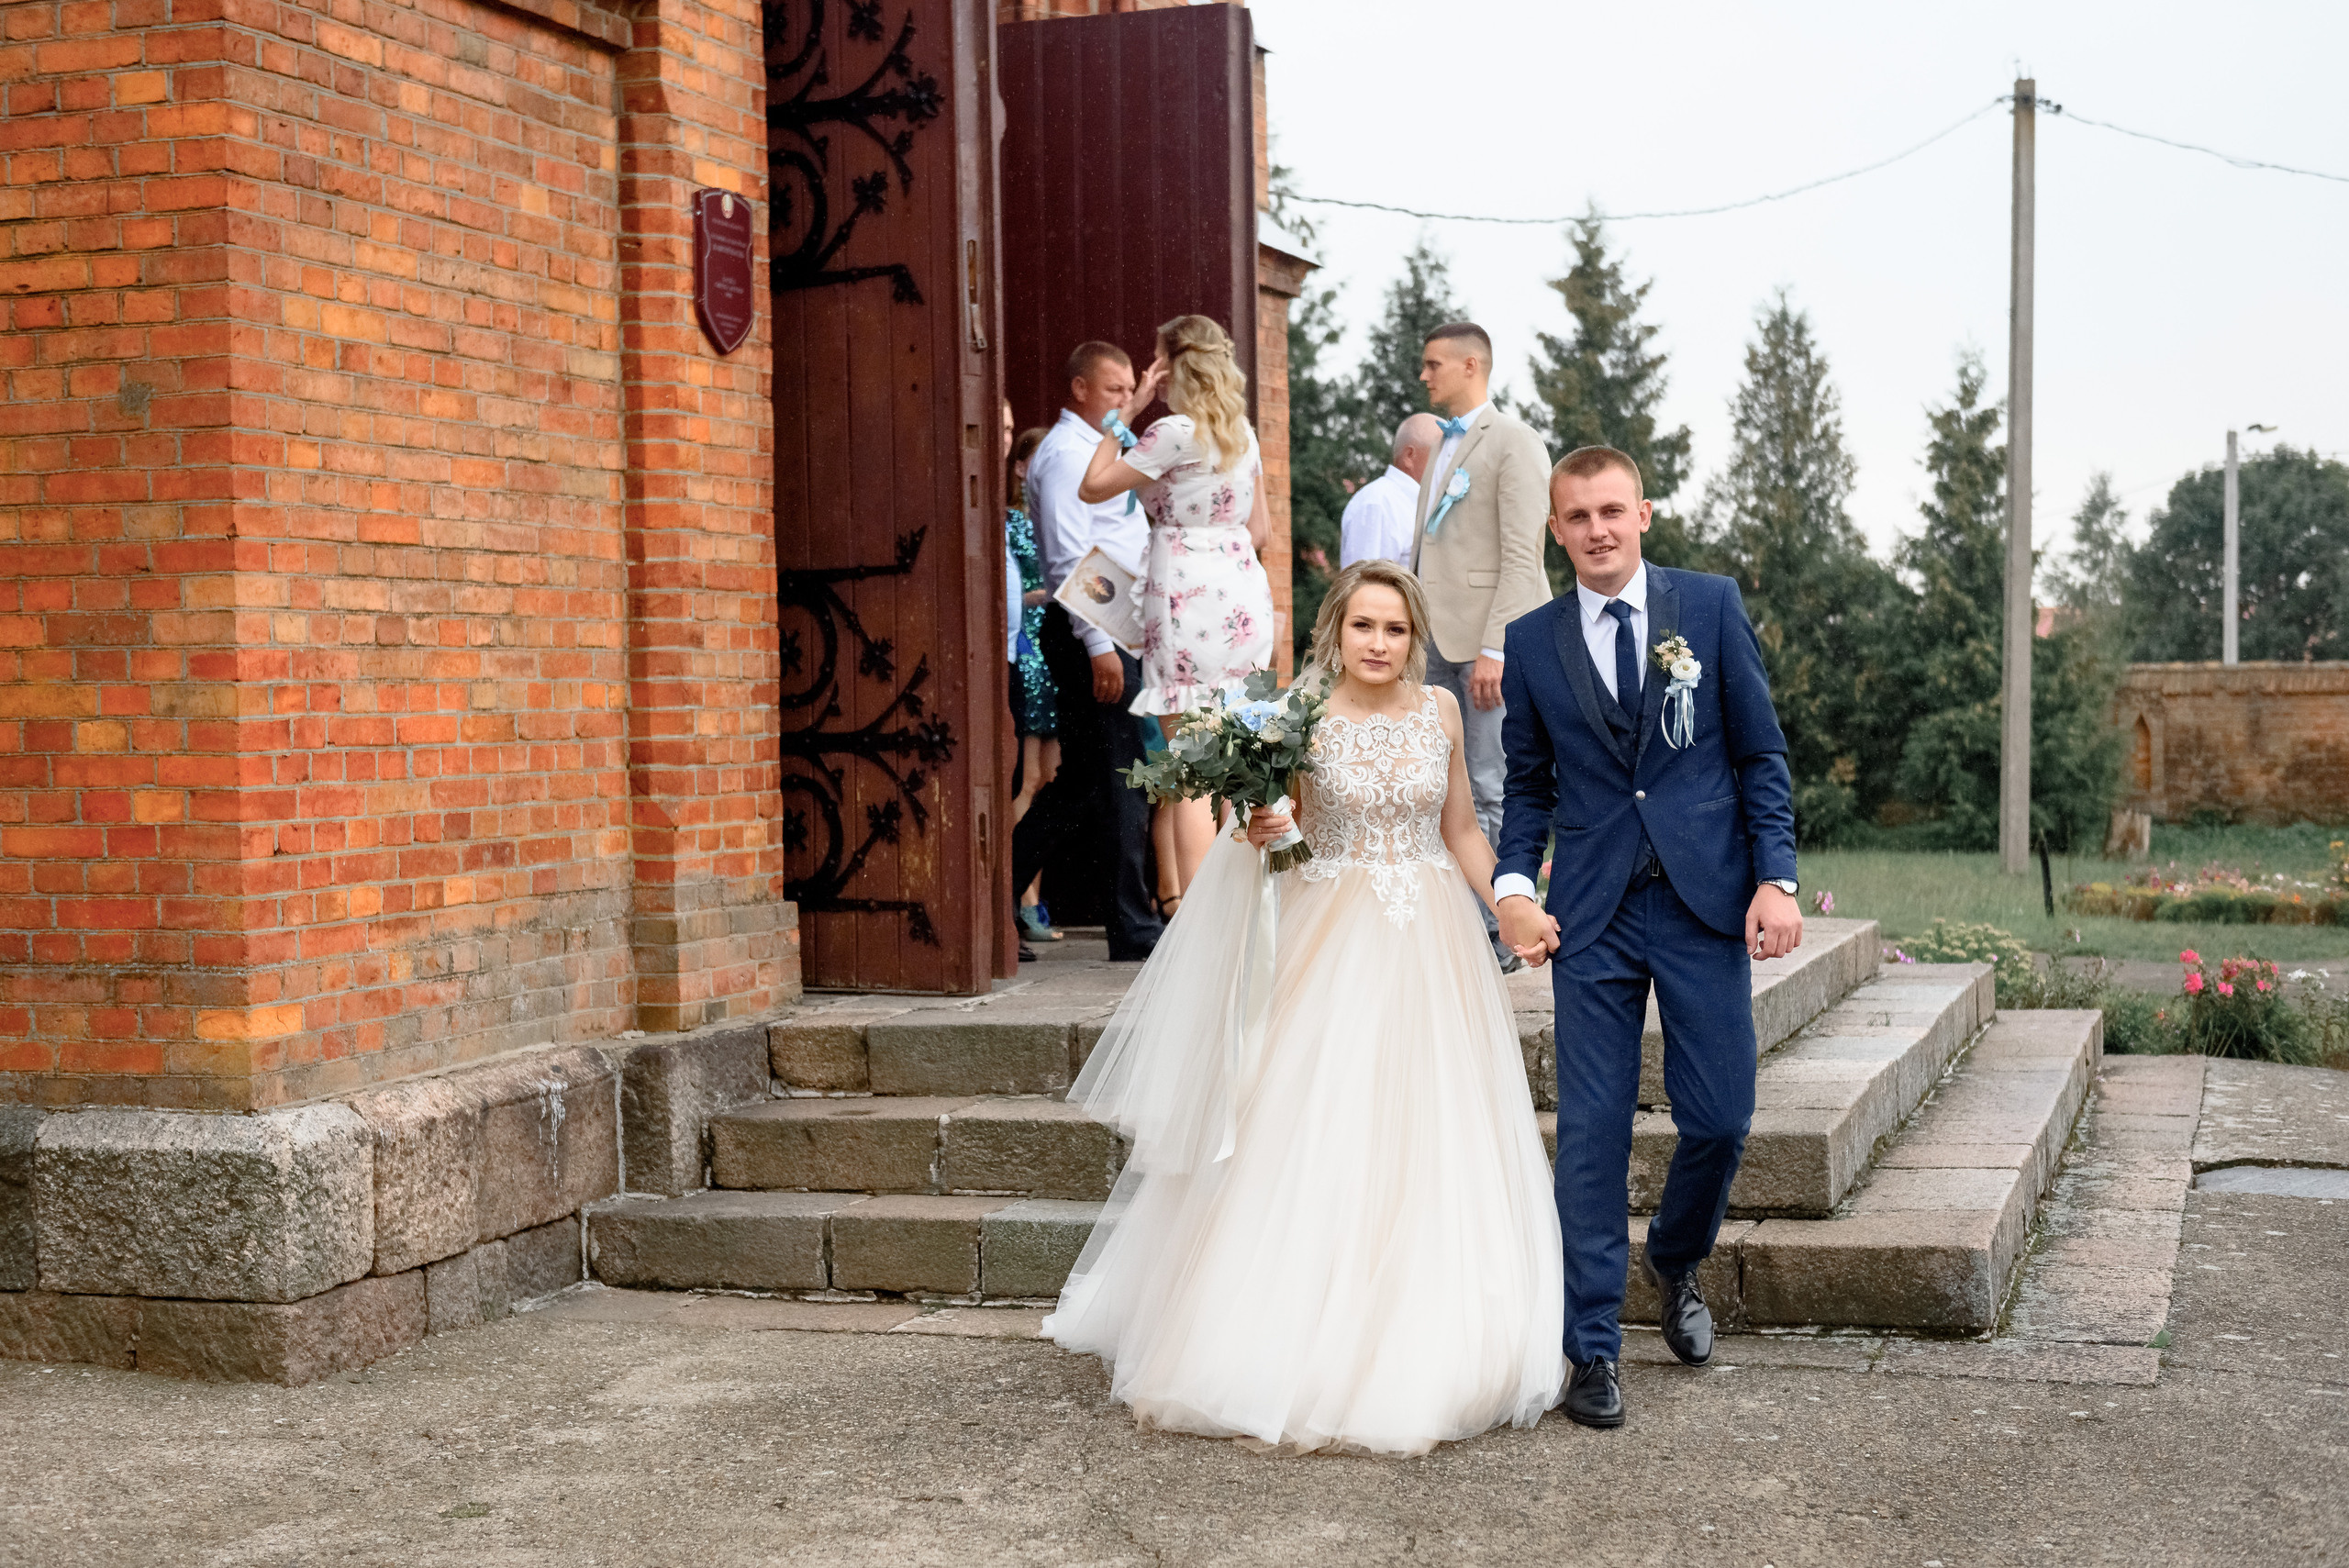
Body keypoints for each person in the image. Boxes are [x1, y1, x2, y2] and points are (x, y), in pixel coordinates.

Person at [1044, 560, 1564, 1456]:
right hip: (1329, 931)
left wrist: (1508, 904)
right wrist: (1265, 829)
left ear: (1414, 636)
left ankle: (1422, 1329)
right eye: (1363, 625)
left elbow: (1463, 830)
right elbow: (1278, 845)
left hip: (1433, 939)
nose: (1377, 642)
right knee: (1315, 1122)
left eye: (1394, 629)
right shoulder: (1296, 713)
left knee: (1429, 1129)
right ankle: (1283, 1332)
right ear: (1335, 628)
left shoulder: (1439, 711)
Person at [1494, 445, 1801, 1430]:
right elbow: (1529, 785)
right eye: (1577, 515)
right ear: (1555, 528)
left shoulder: (1705, 607)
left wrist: (1774, 877)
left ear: (1644, 513)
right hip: (1591, 910)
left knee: (1718, 1118)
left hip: (1705, 899)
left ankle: (1673, 1259)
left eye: (1612, 510)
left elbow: (1758, 749)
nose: (1596, 529)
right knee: (1589, 1131)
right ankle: (1591, 1344)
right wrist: (1511, 886)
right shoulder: (1533, 642)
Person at [1077, 314, 1274, 906]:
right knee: (1238, 771)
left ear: (1171, 364)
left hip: (1183, 597)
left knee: (1191, 776)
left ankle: (1204, 924)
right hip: (1241, 593)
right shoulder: (1241, 433)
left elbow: (1093, 484)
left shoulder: (1169, 433)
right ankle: (1244, 913)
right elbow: (1260, 528)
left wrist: (1128, 410)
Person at [1013, 342, 1164, 962]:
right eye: (1113, 391)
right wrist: (1101, 644)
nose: (1123, 401)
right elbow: (1070, 558)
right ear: (1079, 390)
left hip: (1118, 621)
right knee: (1123, 776)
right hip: (1087, 626)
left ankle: (1001, 890)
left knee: (1082, 782)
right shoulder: (1063, 456)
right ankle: (1131, 923)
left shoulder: (1105, 445)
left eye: (1130, 391)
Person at [1409, 322, 1553, 969]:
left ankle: (1496, 935)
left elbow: (1524, 554)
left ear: (1473, 365)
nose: (1425, 375)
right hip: (1434, 639)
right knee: (1441, 786)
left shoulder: (1514, 442)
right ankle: (1455, 925)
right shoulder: (1440, 444)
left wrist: (1498, 646)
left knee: (1491, 785)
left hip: (1486, 643)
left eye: (1434, 364)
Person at [1002, 418, 1062, 947]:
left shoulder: (1046, 523)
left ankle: (1031, 898)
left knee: (1046, 780)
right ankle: (1016, 898)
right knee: (1025, 782)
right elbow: (1015, 595)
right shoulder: (1013, 523)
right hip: (1029, 654)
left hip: (1049, 662)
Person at [1339, 413, 1442, 567]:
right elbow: (1365, 585)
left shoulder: (1419, 503)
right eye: (1440, 454)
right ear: (1409, 456)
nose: (1448, 463)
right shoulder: (1378, 503)